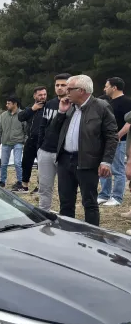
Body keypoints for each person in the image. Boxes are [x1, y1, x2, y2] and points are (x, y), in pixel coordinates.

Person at [55, 74, 118, 226]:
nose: (65, 91)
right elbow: (54, 132)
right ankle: (67, 234)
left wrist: (106, 161)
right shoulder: (69, 107)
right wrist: (61, 112)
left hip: (87, 161)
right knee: (65, 202)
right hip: (65, 160)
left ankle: (93, 237)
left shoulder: (101, 107)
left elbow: (111, 136)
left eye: (69, 88)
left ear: (81, 90)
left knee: (89, 202)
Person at [34, 74, 71, 210]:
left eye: (63, 85)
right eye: (57, 85)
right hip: (45, 150)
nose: (60, 88)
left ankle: (66, 216)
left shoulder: (75, 106)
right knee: (44, 187)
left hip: (64, 153)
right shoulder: (49, 104)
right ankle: (44, 212)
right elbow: (42, 126)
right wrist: (39, 148)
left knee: (65, 190)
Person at [97, 77, 131, 207]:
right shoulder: (109, 103)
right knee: (104, 167)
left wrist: (118, 136)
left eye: (106, 86)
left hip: (119, 141)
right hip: (105, 141)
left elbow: (129, 122)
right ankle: (104, 194)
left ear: (114, 87)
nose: (104, 88)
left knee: (117, 169)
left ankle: (117, 197)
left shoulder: (127, 102)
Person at [18, 86, 49, 193]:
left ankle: (40, 186)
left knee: (42, 165)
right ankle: (24, 185)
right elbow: (20, 117)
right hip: (30, 140)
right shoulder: (30, 108)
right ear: (34, 95)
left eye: (44, 94)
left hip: (43, 141)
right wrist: (32, 109)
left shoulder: (49, 107)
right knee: (26, 163)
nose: (43, 97)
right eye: (40, 95)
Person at [0, 96, 26, 190]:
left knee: (17, 163)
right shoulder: (3, 115)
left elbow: (26, 130)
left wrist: (25, 142)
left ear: (15, 104)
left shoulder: (22, 114)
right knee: (4, 163)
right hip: (5, 142)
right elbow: (0, 130)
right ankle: (2, 181)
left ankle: (20, 181)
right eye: (6, 103)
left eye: (9, 103)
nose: (6, 105)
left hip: (18, 142)